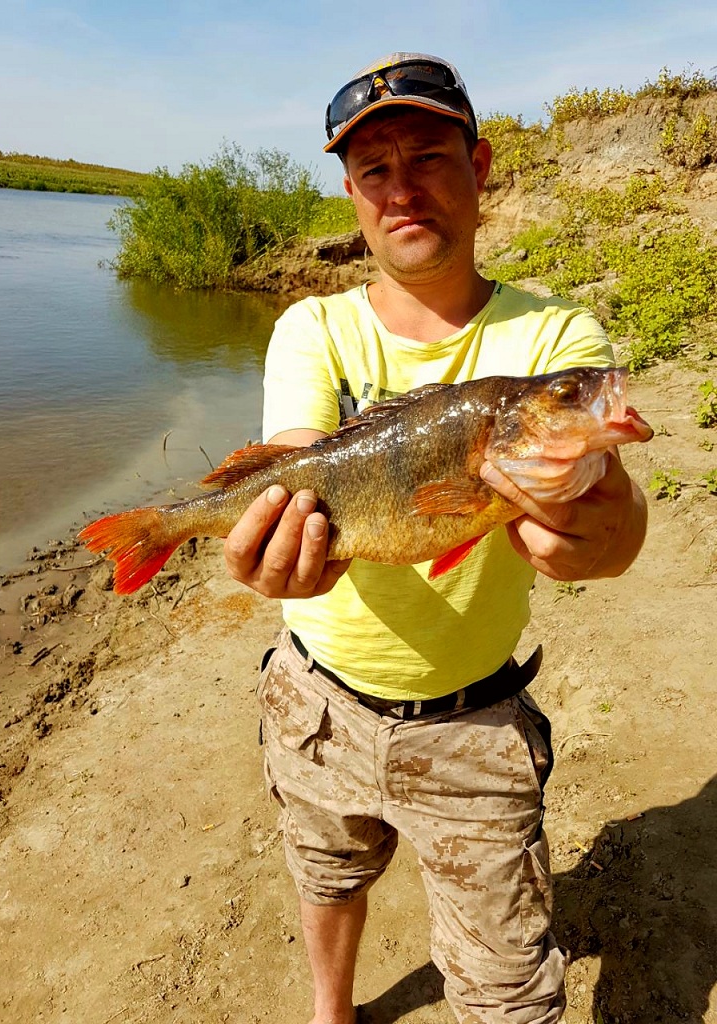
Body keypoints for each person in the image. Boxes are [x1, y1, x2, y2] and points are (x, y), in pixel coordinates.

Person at [223, 53, 648, 1024]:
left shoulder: (553, 339)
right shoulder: (313, 328)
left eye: (427, 157)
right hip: (316, 698)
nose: (401, 188)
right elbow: (299, 454)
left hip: (476, 722)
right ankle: (331, 1009)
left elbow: (608, 520)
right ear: (352, 194)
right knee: (326, 870)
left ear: (480, 166)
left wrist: (597, 530)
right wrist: (272, 536)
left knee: (509, 989)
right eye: (374, 169)